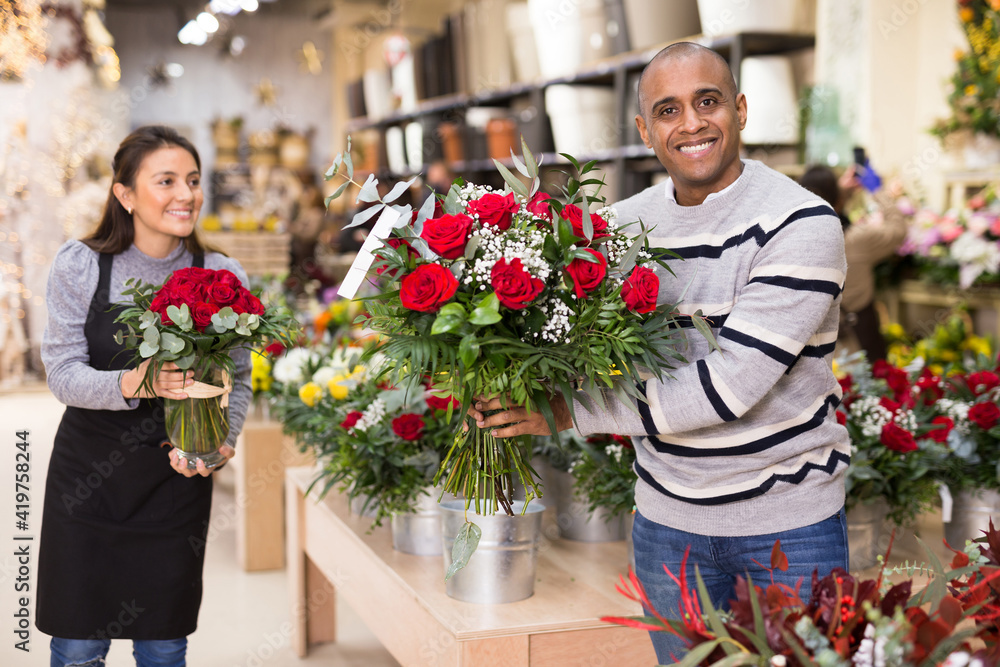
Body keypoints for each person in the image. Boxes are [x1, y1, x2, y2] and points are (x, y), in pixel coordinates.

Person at [470, 42, 849, 662]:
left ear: (741, 109)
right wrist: (488, 358)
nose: (692, 123)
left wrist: (568, 412)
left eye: (708, 102)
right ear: (645, 130)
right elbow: (570, 341)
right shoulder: (619, 228)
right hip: (667, 526)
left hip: (788, 526)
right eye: (668, 110)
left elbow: (728, 387)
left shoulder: (800, 223)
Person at [36, 125, 252, 666]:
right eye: (166, 181)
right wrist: (137, 382)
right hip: (88, 485)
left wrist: (219, 441)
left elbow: (239, 379)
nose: (186, 194)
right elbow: (62, 373)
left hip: (173, 482)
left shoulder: (221, 274)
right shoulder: (80, 264)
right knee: (80, 646)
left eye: (194, 180)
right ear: (125, 194)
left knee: (162, 646)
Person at [799, 164, 908, 362]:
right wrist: (876, 191)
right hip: (859, 344)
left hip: (811, 350)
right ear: (839, 200)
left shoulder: (790, 241)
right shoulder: (857, 240)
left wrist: (840, 193)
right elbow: (898, 229)